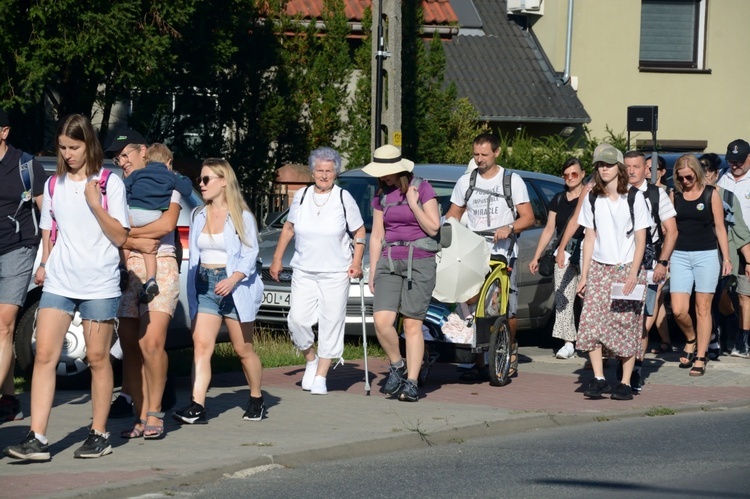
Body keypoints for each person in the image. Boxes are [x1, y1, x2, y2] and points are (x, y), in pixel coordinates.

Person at [3, 114, 129, 461]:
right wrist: (44, 263)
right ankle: (38, 438)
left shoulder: (108, 183)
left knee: (97, 358)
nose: (68, 154)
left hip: (99, 283)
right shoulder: (55, 184)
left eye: (74, 147)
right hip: (60, 279)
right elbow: (48, 229)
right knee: (43, 357)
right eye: (62, 147)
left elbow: (121, 236)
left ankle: (99, 433)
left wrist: (93, 204)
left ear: (89, 145)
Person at [173, 158, 265, 422]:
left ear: (223, 181)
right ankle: (197, 405)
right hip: (205, 285)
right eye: (200, 180)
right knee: (201, 346)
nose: (200, 185)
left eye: (206, 180)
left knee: (242, 348)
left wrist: (233, 278)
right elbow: (196, 253)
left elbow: (250, 254)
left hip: (233, 288)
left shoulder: (241, 216)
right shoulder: (197, 214)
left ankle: (256, 398)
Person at [270, 147, 365, 395]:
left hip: (336, 272)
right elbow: (289, 228)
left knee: (331, 323)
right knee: (297, 320)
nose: (324, 175)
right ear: (312, 172)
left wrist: (356, 261)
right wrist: (277, 259)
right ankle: (310, 359)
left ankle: (322, 375)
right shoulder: (301, 196)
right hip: (304, 270)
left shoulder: (344, 198)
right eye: (320, 170)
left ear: (336, 173)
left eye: (329, 171)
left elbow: (360, 233)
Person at [108, 130, 181, 439]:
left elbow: (167, 225)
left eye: (126, 155)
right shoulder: (119, 189)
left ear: (143, 154)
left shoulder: (168, 182)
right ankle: (139, 414)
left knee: (150, 342)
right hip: (126, 268)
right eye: (118, 158)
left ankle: (155, 411)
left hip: (161, 264)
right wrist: (133, 239)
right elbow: (113, 231)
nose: (121, 162)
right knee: (128, 343)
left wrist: (129, 236)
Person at [445, 133, 535, 378]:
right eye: (476, 154)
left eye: (484, 154)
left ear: (497, 152)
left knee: (505, 308)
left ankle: (508, 348)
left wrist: (510, 228)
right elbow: (453, 214)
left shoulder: (511, 180)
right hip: (474, 252)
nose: (479, 159)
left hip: (503, 254)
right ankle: (477, 360)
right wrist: (448, 232)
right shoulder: (467, 181)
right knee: (473, 304)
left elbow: (528, 217)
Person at [364, 144, 440, 402]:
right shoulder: (381, 194)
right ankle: (398, 365)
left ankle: (412, 382)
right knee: (382, 322)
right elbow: (376, 235)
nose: (382, 176)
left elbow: (433, 228)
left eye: (386, 172)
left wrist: (413, 204)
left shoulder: (423, 188)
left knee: (411, 324)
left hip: (419, 262)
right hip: (389, 262)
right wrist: (372, 270)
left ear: (399, 170)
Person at [577, 144, 649, 401]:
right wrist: (584, 275)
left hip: (626, 270)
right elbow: (589, 236)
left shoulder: (635, 197)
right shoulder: (592, 198)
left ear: (619, 167)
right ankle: (598, 378)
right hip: (598, 268)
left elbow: (641, 239)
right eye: (600, 165)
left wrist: (632, 273)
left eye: (608, 164)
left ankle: (626, 382)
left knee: (625, 326)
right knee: (591, 324)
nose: (604, 169)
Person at [0, 108, 46, 423]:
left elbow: (49, 216)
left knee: (3, 323)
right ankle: (9, 399)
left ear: (4, 132)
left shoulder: (26, 165)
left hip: (17, 248)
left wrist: (47, 258)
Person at [670, 154, 731, 377]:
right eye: (681, 178)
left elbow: (720, 228)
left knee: (703, 308)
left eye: (689, 177)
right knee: (678, 310)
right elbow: (669, 230)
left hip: (706, 254)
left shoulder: (710, 194)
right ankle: (691, 338)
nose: (686, 182)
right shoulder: (674, 195)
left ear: (697, 173)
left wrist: (726, 258)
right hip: (679, 255)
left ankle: (701, 356)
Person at [623, 151, 677, 391]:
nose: (631, 171)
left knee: (643, 321)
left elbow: (672, 231)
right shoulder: (616, 193)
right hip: (621, 262)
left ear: (646, 168)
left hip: (649, 262)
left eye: (636, 166)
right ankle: (623, 362)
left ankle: (636, 368)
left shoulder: (657, 194)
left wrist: (662, 262)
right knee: (622, 318)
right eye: (627, 166)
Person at [529, 158, 585, 359]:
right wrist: (536, 256)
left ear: (582, 174)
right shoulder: (559, 199)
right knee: (563, 296)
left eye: (574, 174)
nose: (570, 178)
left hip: (587, 251)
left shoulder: (590, 198)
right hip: (564, 253)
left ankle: (589, 341)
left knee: (588, 299)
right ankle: (568, 341)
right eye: (566, 174)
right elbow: (549, 229)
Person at [121, 150, 192, 303]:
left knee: (124, 236)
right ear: (169, 162)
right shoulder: (170, 176)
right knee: (149, 248)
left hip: (134, 213)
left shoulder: (138, 174)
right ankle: (151, 279)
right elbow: (187, 189)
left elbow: (124, 189)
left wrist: (130, 200)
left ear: (146, 160)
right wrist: (179, 175)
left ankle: (122, 268)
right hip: (153, 216)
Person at [700, 152, 750, 359]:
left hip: (728, 252)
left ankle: (738, 337)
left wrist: (748, 259)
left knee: (738, 295)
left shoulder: (727, 196)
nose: (702, 176)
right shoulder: (685, 194)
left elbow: (739, 230)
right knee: (708, 299)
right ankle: (714, 335)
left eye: (707, 172)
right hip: (698, 253)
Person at [717, 139, 750, 358]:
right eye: (731, 161)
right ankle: (731, 323)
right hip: (726, 242)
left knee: (745, 295)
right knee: (721, 291)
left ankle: (743, 339)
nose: (734, 166)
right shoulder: (722, 177)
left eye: (738, 162)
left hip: (747, 242)